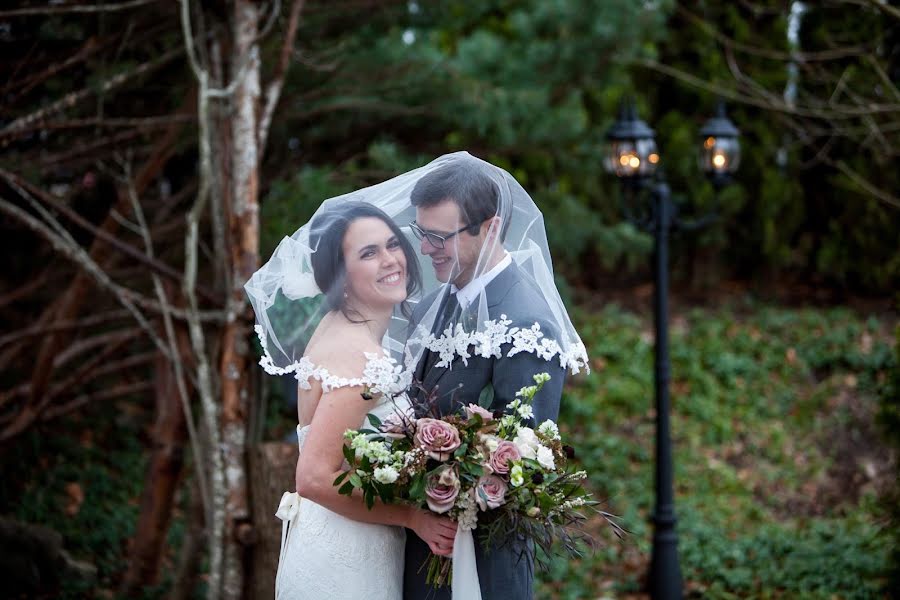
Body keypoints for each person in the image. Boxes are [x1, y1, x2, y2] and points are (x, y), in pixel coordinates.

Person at [263, 202, 457, 600]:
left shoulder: (341, 329)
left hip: (342, 540)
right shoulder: (359, 358)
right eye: (369, 253)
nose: (390, 261)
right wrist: (411, 516)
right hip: (346, 561)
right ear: (341, 275)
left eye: (392, 245)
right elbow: (314, 478)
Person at [402, 155, 571, 600]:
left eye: (439, 236)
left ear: (491, 227)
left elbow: (525, 461)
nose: (425, 249)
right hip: (418, 550)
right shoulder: (432, 305)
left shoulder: (527, 325)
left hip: (481, 565)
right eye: (422, 233)